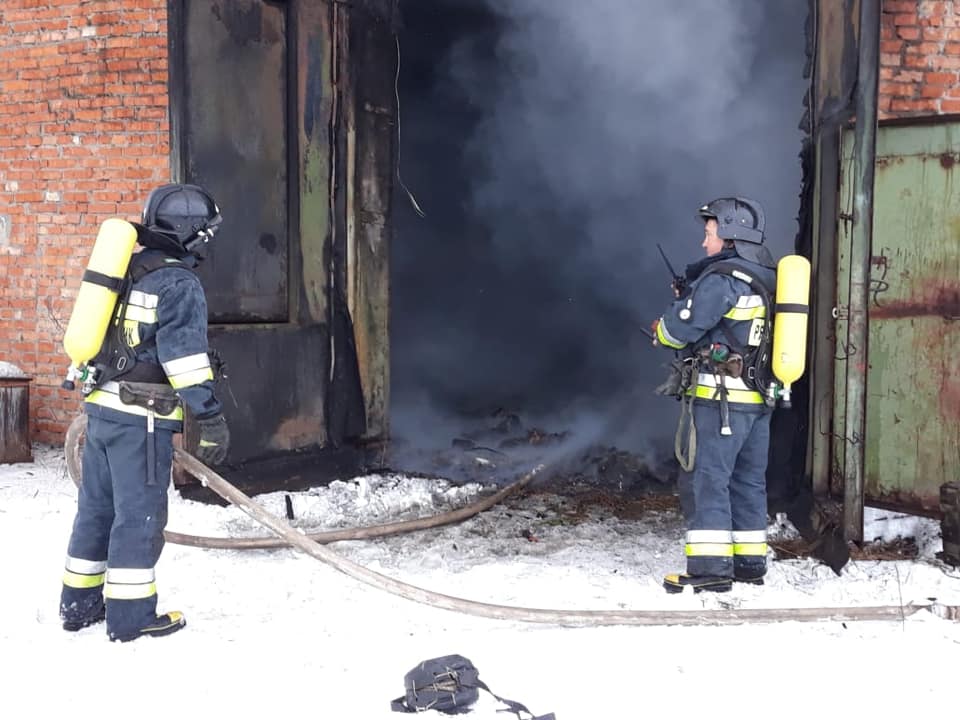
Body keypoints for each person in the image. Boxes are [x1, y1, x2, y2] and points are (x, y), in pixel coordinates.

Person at [59, 183, 231, 641]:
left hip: (102, 411)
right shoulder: (179, 283)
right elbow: (184, 361)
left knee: (96, 510)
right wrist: (209, 416)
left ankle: (78, 605)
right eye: (206, 233)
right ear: (191, 232)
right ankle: (131, 617)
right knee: (139, 517)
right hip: (142, 419)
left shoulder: (128, 269)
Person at [652, 197, 777, 593]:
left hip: (721, 403)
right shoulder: (768, 277)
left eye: (709, 233)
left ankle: (710, 569)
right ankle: (749, 564)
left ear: (729, 234)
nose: (704, 242)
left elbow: (679, 330)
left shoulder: (722, 279)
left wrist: (665, 324)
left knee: (707, 480)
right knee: (747, 482)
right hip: (757, 401)